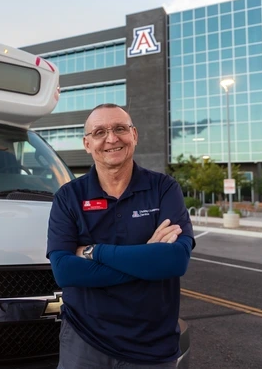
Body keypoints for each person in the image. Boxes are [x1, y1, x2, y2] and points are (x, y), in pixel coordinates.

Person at [47, 103, 195, 368]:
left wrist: (95, 252)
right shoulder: (68, 197)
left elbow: (175, 261)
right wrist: (147, 258)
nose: (111, 138)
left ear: (134, 135)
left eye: (119, 128)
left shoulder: (163, 188)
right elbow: (66, 271)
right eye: (99, 132)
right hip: (84, 342)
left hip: (152, 346)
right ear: (87, 143)